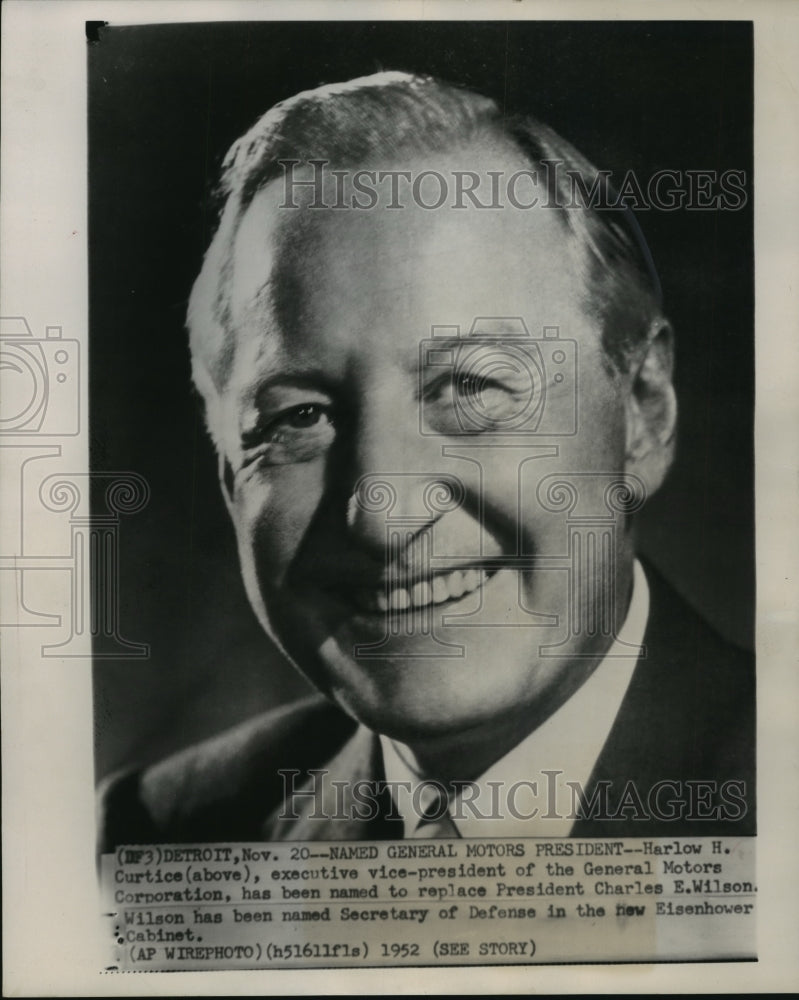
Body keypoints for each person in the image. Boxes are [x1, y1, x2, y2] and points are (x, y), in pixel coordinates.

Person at [98, 71, 754, 848]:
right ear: (228, 479)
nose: (382, 516)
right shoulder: (161, 832)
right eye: (299, 417)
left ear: (640, 412)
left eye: (468, 386)